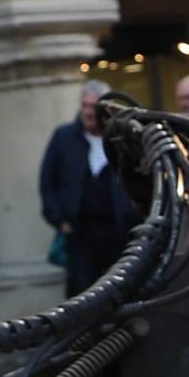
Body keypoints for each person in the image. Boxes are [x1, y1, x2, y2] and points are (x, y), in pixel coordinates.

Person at [39, 79, 134, 296]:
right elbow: (47, 182)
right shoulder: (64, 138)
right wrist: (59, 219)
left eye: (94, 107)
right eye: (85, 106)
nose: (88, 112)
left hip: (119, 232)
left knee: (121, 289)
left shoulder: (122, 138)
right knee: (83, 293)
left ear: (108, 108)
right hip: (80, 232)